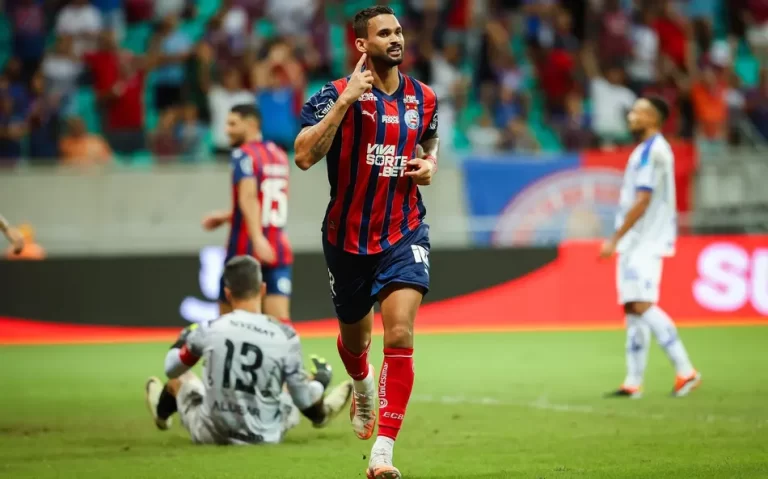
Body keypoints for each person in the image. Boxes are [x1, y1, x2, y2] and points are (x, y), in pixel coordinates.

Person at [293, 6, 439, 479]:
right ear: (362, 44)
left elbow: (429, 141)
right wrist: (346, 102)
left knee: (399, 335)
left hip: (403, 230)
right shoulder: (331, 94)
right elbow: (303, 157)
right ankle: (359, 386)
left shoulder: (425, 98)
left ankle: (382, 454)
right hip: (348, 239)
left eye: (398, 31)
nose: (395, 39)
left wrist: (429, 165)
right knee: (356, 344)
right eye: (384, 33)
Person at [144, 255, 353, 445]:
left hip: (211, 433)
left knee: (181, 378)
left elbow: (172, 368)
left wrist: (182, 340)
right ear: (262, 290)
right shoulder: (285, 335)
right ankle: (322, 414)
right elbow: (303, 399)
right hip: (267, 435)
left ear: (227, 293)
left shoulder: (209, 329)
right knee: (295, 383)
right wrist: (321, 380)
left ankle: (161, 417)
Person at [599, 96, 701, 399]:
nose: (631, 115)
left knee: (642, 304)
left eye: (638, 111)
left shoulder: (653, 152)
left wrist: (615, 238)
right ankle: (633, 381)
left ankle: (686, 370)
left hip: (644, 240)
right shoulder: (645, 151)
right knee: (632, 307)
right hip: (640, 240)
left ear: (654, 119)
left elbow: (643, 200)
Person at [202, 105, 293, 322]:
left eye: (233, 124)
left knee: (228, 323)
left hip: (245, 250)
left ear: (251, 124)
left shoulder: (243, 155)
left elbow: (249, 197)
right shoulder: (278, 155)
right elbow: (266, 202)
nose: (227, 130)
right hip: (277, 247)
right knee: (280, 323)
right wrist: (227, 217)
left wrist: (257, 238)